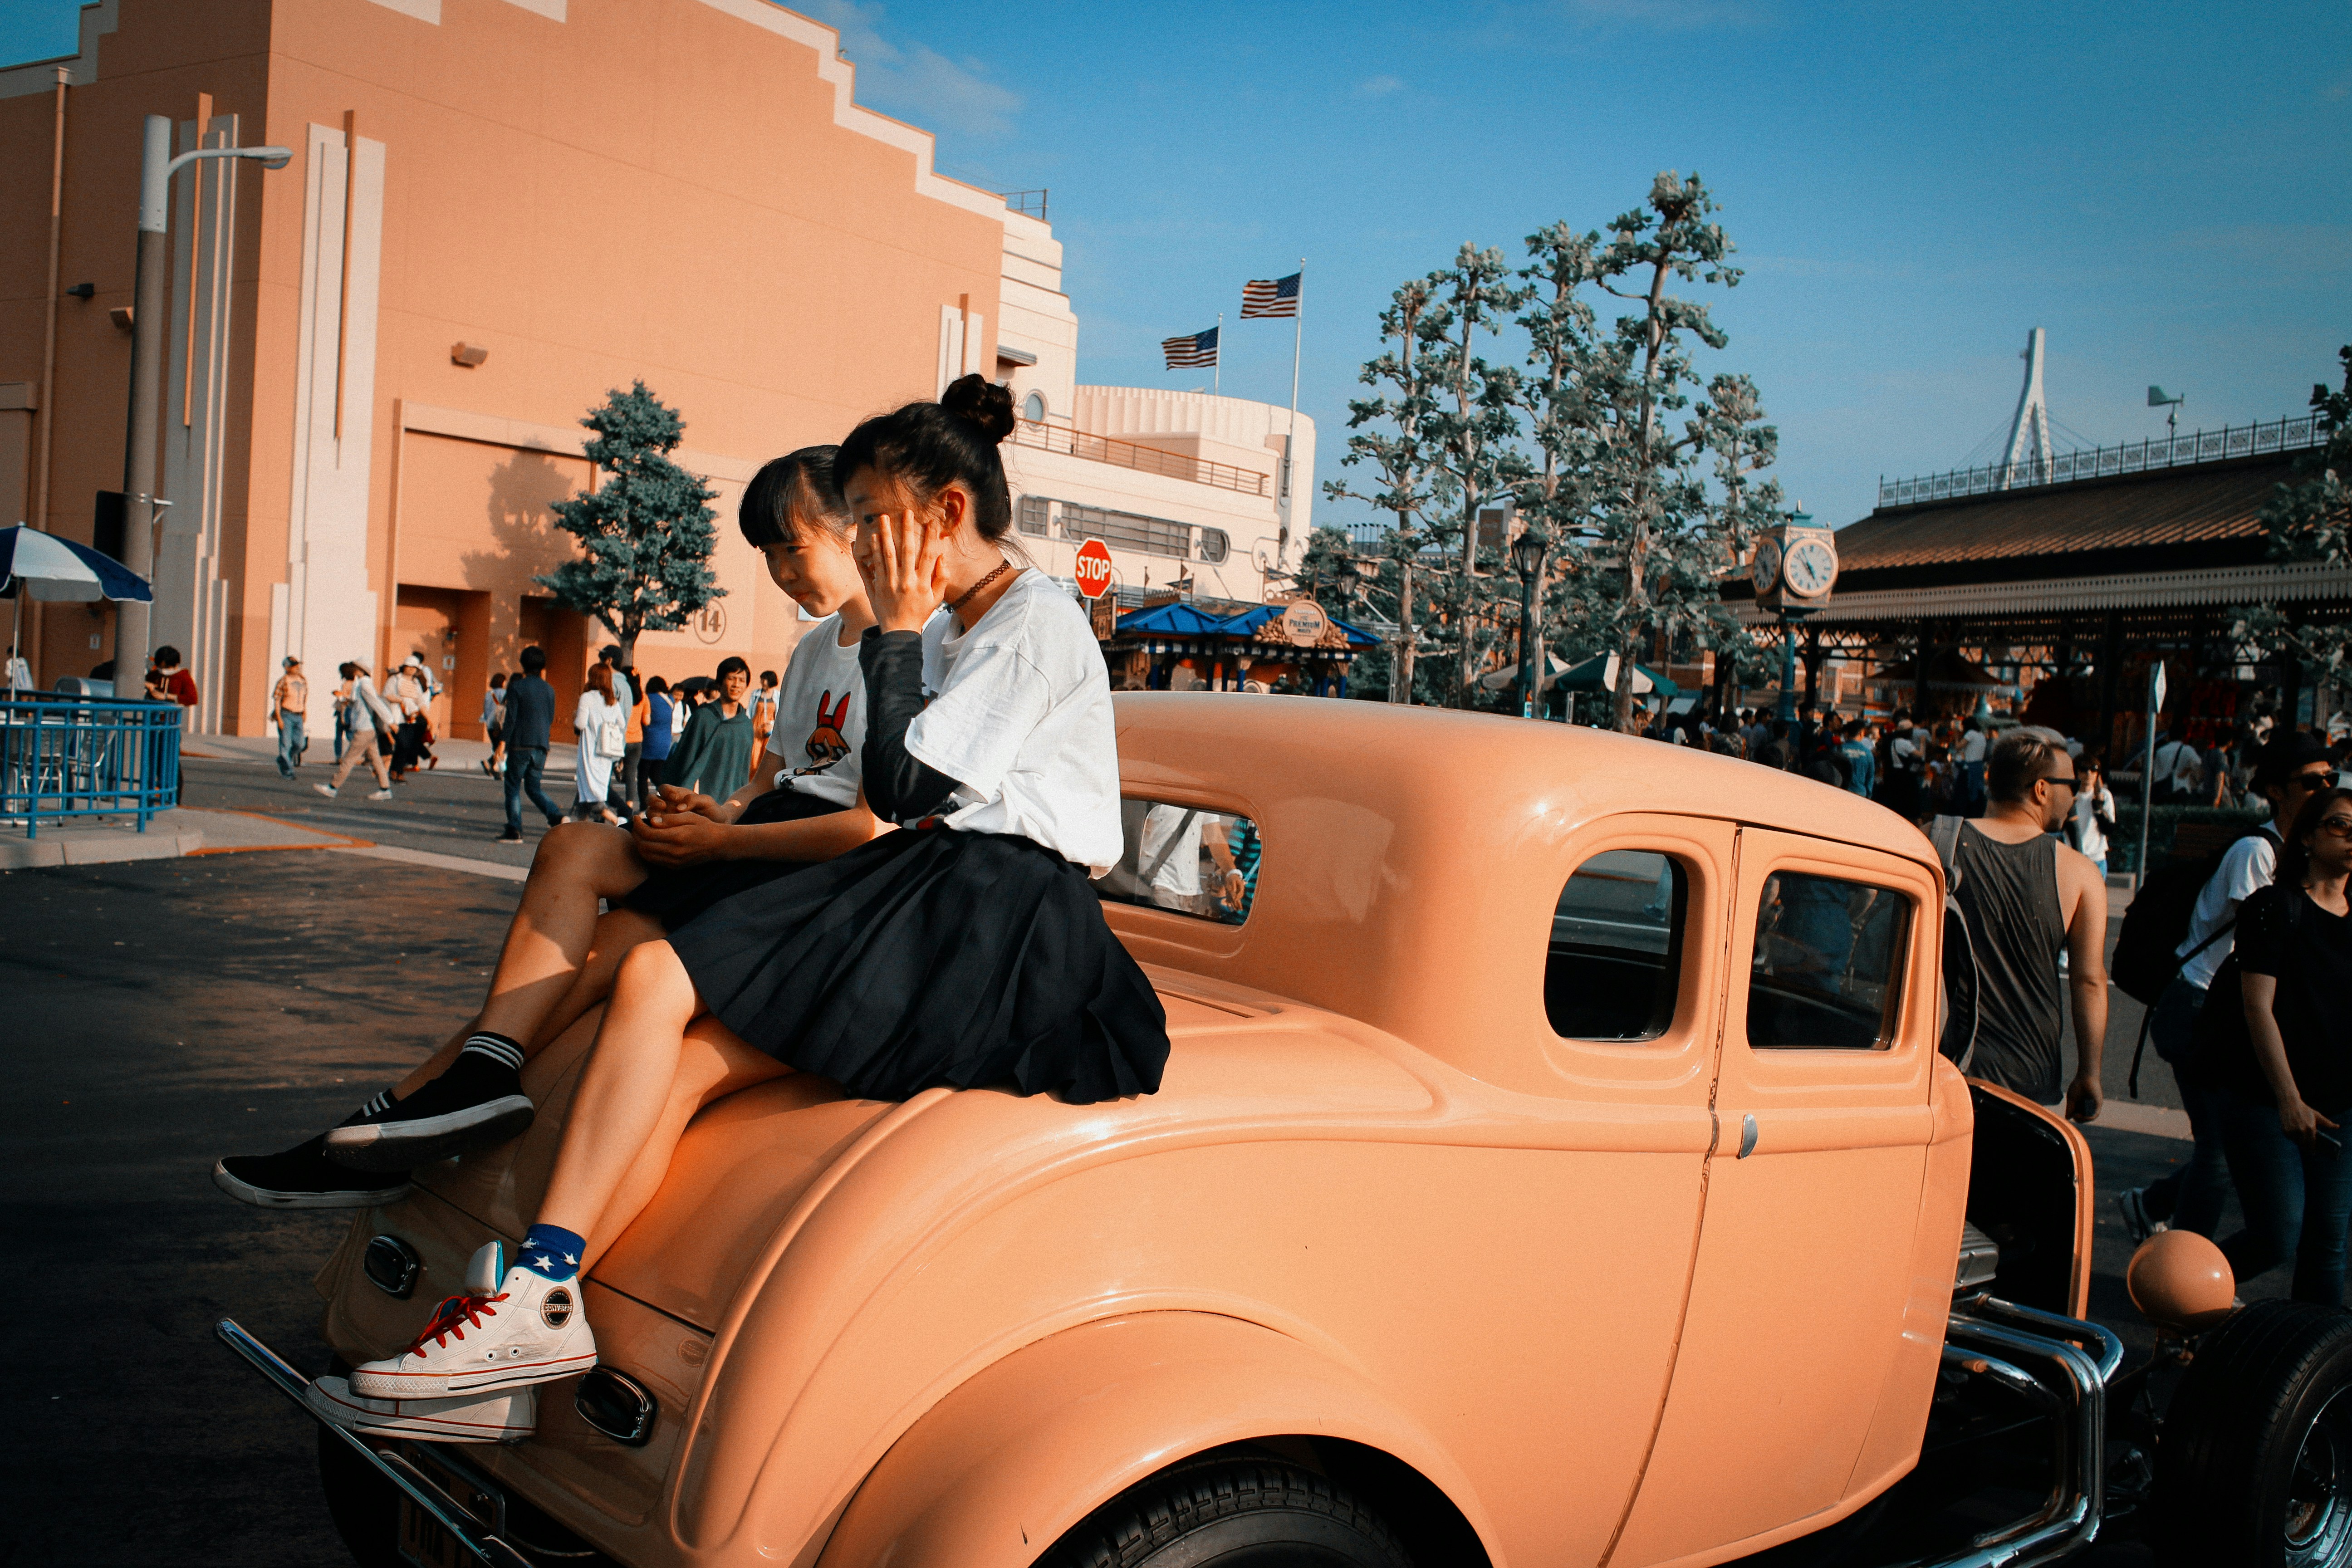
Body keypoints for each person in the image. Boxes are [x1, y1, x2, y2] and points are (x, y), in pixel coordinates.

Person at [323, 376, 1169, 1405]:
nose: (862, 551)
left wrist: (895, 631)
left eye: (872, 524)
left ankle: (530, 1279)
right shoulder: (950, 626)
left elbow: (901, 792)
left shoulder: (1028, 623)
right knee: (668, 1039)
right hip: (936, 884)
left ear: (947, 512)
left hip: (996, 913)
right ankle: (541, 1297)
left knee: (652, 977)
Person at [216, 447, 887, 1205]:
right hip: (752, 838)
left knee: (596, 960)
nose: (780, 571)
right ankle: (466, 1082)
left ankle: (401, 1117)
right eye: (766, 555)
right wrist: (712, 811)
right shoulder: (810, 651)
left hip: (804, 870)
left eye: (791, 548)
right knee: (572, 842)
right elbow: (768, 779)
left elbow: (869, 825)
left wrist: (727, 838)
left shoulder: (900, 653)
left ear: (857, 530)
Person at [2118, 730, 2339, 1242]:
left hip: (2226, 1011)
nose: (2326, 786)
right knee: (2217, 1151)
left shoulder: (2297, 855)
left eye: (2332, 777)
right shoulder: (2255, 853)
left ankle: (2152, 1206)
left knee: (2224, 1147)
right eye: (2313, 781)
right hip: (2198, 1007)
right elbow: (2263, 947)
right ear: (2279, 790)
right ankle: (2183, 1280)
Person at [2202, 786, 2352, 1303]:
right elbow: (2256, 1008)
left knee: (2327, 1245)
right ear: (2307, 836)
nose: (2351, 838)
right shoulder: (2276, 907)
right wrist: (2289, 1098)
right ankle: (2179, 1287)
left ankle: (2320, 1365)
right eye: (2339, 826)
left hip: (2340, 1106)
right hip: (2264, 1099)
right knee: (2278, 1234)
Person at [1938, 726, 2109, 1119]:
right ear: (2042, 790)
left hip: (1945, 1066)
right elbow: (2089, 981)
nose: (2075, 796)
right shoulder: (2080, 874)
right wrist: (2090, 1073)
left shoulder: (1938, 843)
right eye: (2070, 784)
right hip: (2030, 1073)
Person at [497, 645, 565, 843]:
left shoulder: (517, 687)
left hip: (520, 743)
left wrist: (502, 744)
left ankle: (515, 829)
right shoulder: (549, 690)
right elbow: (550, 717)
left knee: (513, 786)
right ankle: (556, 816)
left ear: (523, 665)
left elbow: (511, 719)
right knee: (534, 787)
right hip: (542, 744)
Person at [665, 656, 758, 799]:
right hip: (697, 798)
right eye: (731, 678)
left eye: (741, 681)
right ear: (720, 683)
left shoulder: (745, 726)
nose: (736, 685)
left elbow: (744, 771)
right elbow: (684, 758)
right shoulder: (703, 717)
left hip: (730, 803)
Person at [313, 661, 397, 801]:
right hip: (367, 728)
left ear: (361, 669)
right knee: (376, 760)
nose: (354, 669)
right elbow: (355, 702)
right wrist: (342, 698)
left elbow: (376, 703)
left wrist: (390, 721)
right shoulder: (361, 684)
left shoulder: (364, 684)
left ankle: (333, 787)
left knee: (349, 759)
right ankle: (385, 789)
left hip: (364, 729)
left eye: (357, 667)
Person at [572, 664, 627, 825]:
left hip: (590, 751)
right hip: (606, 753)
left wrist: (575, 716)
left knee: (591, 792)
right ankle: (579, 827)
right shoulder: (613, 701)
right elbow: (622, 723)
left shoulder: (587, 697)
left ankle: (617, 821)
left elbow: (581, 724)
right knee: (588, 791)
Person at [384, 655, 431, 779]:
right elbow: (387, 695)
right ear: (404, 667)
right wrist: (400, 701)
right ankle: (396, 770)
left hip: (411, 718)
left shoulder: (416, 683)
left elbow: (420, 703)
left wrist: (428, 719)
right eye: (408, 667)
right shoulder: (395, 679)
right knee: (403, 744)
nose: (410, 670)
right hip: (397, 717)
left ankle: (397, 772)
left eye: (413, 668)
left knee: (405, 746)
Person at [2070, 753, 2117, 876]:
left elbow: (2109, 829)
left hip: (2096, 858)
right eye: (2084, 770)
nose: (2089, 774)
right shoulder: (2070, 797)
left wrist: (2098, 811)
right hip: (2072, 857)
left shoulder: (2104, 796)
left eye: (2094, 770)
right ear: (2076, 772)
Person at [638, 675, 674, 807]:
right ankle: (668, 796)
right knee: (657, 774)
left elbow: (645, 720)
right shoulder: (670, 700)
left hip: (649, 742)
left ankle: (644, 804)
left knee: (643, 775)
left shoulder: (648, 699)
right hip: (665, 743)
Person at [270, 656, 308, 779]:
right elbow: (277, 700)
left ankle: (284, 759)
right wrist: (279, 718)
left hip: (298, 715)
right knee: (285, 743)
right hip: (287, 715)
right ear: (287, 668)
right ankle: (287, 770)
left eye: (298, 665)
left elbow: (304, 697)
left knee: (300, 744)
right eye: (294, 666)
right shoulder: (284, 681)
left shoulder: (303, 680)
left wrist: (304, 711)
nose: (297, 668)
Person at [2153, 726, 2202, 805]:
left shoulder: (2160, 751)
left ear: (2169, 736)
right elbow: (2200, 766)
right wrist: (2188, 770)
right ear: (2184, 737)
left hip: (2161, 791)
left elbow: (2155, 772)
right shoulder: (2188, 750)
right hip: (2180, 790)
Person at [1837, 718, 1876, 800]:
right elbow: (1870, 777)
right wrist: (1868, 795)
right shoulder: (1868, 753)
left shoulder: (1840, 750)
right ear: (1862, 733)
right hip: (1861, 794)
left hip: (1842, 793)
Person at [1957, 715, 1989, 817]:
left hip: (1969, 767)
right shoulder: (1981, 735)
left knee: (1966, 793)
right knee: (1977, 792)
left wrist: (1956, 735)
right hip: (1979, 767)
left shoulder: (1971, 734)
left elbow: (1958, 747)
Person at [481, 672, 508, 777]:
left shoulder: (489, 694)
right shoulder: (504, 693)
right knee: (502, 746)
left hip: (490, 724)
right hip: (500, 724)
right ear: (502, 682)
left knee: (496, 745)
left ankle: (492, 766)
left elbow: (486, 710)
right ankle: (493, 766)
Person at [751, 667, 780, 754]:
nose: (762, 682)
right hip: (756, 727)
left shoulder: (778, 695)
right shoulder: (756, 694)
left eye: (765, 680)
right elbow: (750, 711)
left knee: (767, 752)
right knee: (755, 752)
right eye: (762, 680)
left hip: (770, 727)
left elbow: (779, 713)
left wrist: (773, 725)